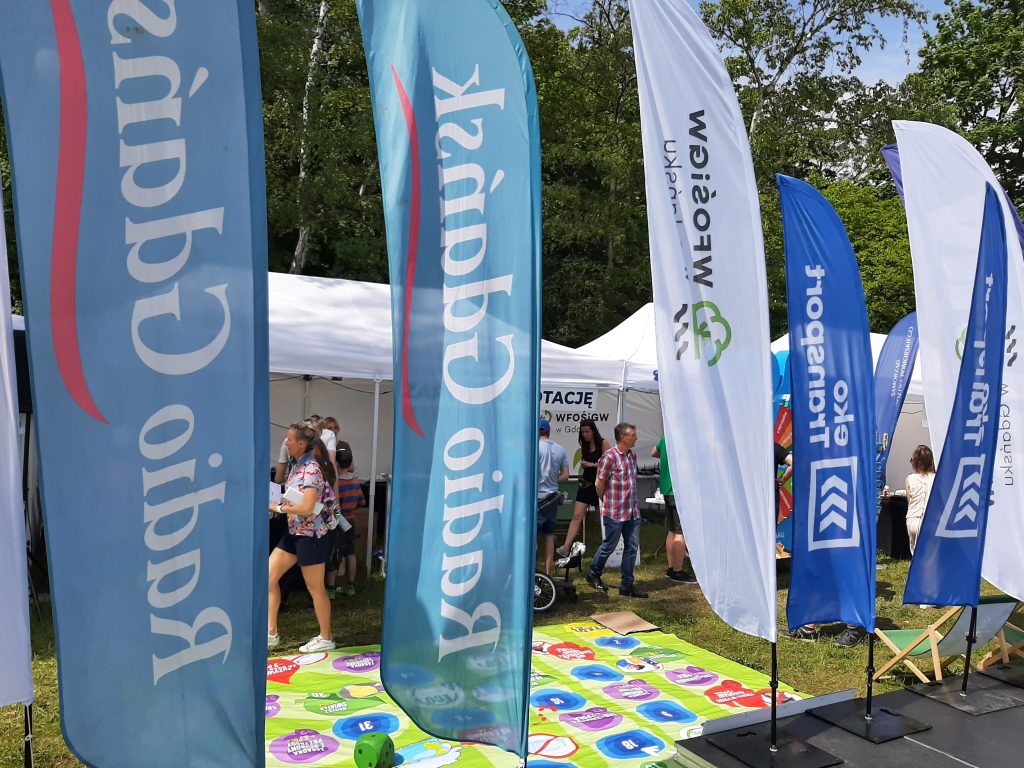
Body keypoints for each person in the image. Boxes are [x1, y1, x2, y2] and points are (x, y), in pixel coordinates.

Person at [268, 423, 337, 653]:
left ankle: (326, 637)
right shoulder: (297, 465)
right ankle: (271, 633)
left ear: (301, 443)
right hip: (294, 533)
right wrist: (279, 503)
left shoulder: (312, 469)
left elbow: (307, 507)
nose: (285, 442)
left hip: (311, 536)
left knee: (315, 588)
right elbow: (297, 499)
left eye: (289, 439)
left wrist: (278, 508)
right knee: (267, 578)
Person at [587, 422, 646, 598]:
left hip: (632, 511)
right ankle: (593, 574)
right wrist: (605, 501)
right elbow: (599, 483)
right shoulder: (609, 457)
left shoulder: (632, 455)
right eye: (633, 435)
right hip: (614, 511)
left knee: (631, 547)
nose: (636, 438)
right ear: (622, 437)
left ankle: (626, 585)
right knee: (609, 545)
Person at [557, 419, 611, 558]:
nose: (585, 435)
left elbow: (610, 464)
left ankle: (609, 547)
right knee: (576, 516)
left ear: (593, 431)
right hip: (586, 483)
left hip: (600, 484)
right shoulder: (584, 446)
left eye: (587, 431)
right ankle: (566, 547)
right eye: (583, 432)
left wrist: (591, 464)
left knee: (602, 518)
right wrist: (584, 465)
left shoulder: (603, 443)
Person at [651, 436, 695, 583]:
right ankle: (677, 571)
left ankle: (671, 568)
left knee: (672, 530)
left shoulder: (666, 437)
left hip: (666, 489)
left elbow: (653, 452)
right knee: (680, 533)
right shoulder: (685, 439)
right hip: (679, 491)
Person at [328, 446, 365, 598]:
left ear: (336, 463)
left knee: (334, 553)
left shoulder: (335, 483)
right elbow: (362, 502)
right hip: (351, 521)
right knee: (351, 552)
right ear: (350, 463)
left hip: (337, 521)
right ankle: (350, 586)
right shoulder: (356, 482)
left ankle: (331, 589)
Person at [538, 419, 570, 575]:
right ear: (549, 432)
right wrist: (552, 480)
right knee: (549, 536)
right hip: (552, 498)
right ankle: (547, 572)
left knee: (531, 537)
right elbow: (565, 475)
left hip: (536, 499)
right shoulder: (560, 449)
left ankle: (530, 573)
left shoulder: (532, 447)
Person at [906, 444, 936, 555]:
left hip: (913, 519)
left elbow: (910, 500)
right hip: (931, 520)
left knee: (915, 553)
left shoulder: (910, 479)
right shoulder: (937, 479)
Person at [774, 441, 793, 523]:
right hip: (769, 495)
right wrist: (782, 479)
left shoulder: (739, 448)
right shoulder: (772, 447)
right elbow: (793, 462)